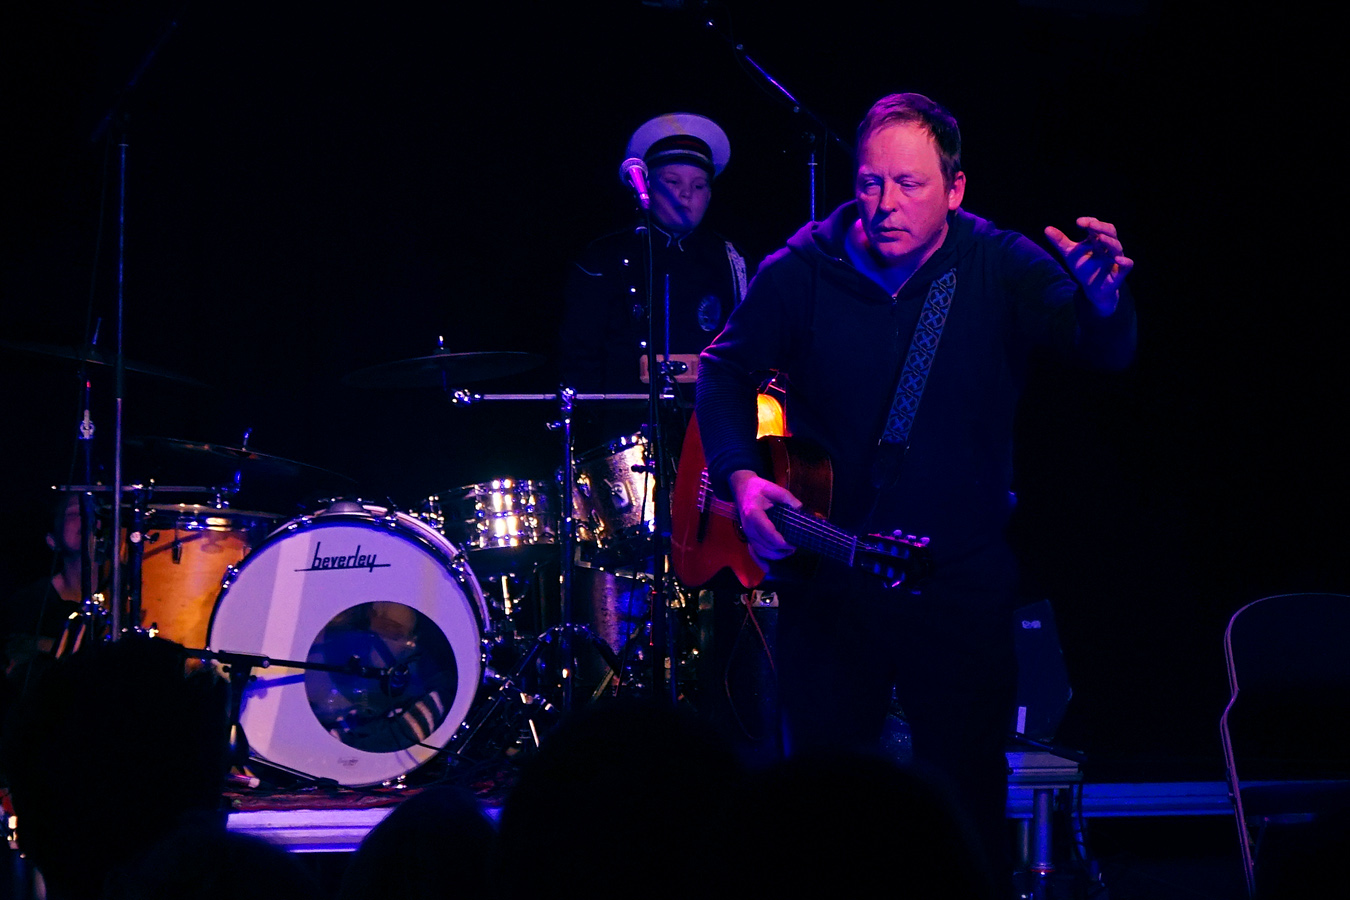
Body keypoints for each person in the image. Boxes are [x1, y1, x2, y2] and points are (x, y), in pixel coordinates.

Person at [695, 92, 1136, 884]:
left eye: (909, 184)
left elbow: (1098, 346)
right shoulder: (803, 268)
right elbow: (723, 370)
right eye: (871, 182)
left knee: (965, 809)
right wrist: (740, 476)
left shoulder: (997, 263)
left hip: (957, 582)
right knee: (822, 814)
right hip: (830, 579)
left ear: (955, 189)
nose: (885, 204)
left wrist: (1105, 307)